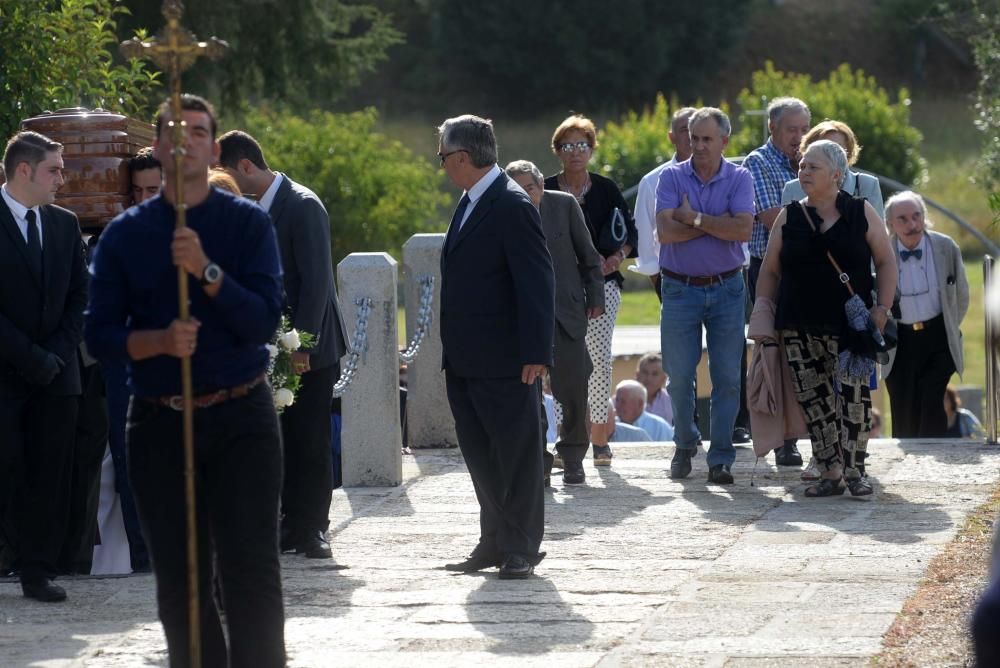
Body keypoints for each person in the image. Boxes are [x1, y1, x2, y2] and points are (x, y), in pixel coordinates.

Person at [86, 94, 286, 666]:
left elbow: (263, 320)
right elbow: (100, 335)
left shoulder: (245, 223)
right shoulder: (125, 235)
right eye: (171, 131)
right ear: (156, 147)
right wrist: (157, 342)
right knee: (179, 579)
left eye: (196, 131)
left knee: (251, 572)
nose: (183, 140)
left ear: (214, 146)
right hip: (159, 419)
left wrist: (207, 272)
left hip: (240, 415)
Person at [219, 130, 348, 560]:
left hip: (308, 348)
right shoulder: (249, 209)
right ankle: (289, 524)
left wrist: (303, 347)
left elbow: (315, 282)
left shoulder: (302, 205)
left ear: (246, 167)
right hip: (269, 348)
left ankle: (313, 527)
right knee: (280, 441)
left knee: (310, 439)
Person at [438, 115, 554, 579]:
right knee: (482, 454)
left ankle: (521, 546)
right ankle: (494, 540)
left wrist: (536, 351)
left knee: (516, 455)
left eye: (443, 156)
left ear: (463, 157)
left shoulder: (511, 204)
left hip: (507, 359)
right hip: (467, 358)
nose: (442, 165)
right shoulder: (470, 201)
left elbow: (536, 280)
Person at [752, 140, 897, 497]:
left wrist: (882, 308)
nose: (803, 172)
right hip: (798, 324)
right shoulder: (789, 216)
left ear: (837, 174)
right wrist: (763, 313)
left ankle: (855, 471)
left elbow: (886, 261)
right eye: (801, 166)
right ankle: (829, 472)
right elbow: (770, 271)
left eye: (812, 167)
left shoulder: (861, 212)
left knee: (855, 399)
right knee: (813, 400)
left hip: (851, 325)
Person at [0, 131, 88, 602]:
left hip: (57, 375)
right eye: (54, 169)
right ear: (24, 170)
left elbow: (79, 296)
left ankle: (37, 572)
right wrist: (28, 356)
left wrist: (53, 353)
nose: (62, 178)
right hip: (6, 373)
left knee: (49, 475)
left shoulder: (65, 224)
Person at [655, 107, 753, 485]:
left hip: (728, 289)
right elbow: (666, 233)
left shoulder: (740, 178)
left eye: (706, 139)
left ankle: (721, 458)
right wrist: (718, 225)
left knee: (727, 377)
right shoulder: (671, 177)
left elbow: (744, 229)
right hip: (679, 288)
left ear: (724, 141)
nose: (697, 145)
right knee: (679, 376)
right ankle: (684, 443)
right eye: (693, 138)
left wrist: (693, 218)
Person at [544, 115, 637, 467]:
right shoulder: (545, 188)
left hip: (604, 286)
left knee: (597, 362)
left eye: (581, 145)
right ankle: (567, 438)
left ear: (592, 149)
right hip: (559, 289)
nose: (575, 152)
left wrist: (616, 258)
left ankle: (599, 440)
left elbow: (630, 234)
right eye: (567, 145)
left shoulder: (606, 188)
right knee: (562, 365)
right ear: (557, 151)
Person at [505, 159, 603, 486]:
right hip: (522, 321)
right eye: (516, 188)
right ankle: (540, 463)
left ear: (541, 187)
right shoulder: (502, 215)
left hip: (567, 315)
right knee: (529, 396)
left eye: (529, 187)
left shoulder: (564, 205)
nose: (524, 194)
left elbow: (589, 258)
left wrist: (595, 299)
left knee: (573, 389)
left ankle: (573, 456)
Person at [743, 96, 811, 467]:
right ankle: (785, 439)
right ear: (772, 128)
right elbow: (774, 220)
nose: (799, 137)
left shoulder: (817, 160)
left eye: (804, 129)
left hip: (811, 273)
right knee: (777, 353)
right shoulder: (758, 162)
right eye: (792, 130)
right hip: (770, 271)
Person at [882, 190, 969, 438]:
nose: (912, 224)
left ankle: (935, 460)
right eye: (903, 219)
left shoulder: (945, 246)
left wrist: (950, 325)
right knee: (903, 404)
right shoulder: (881, 251)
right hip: (899, 341)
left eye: (917, 216)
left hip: (938, 337)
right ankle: (908, 465)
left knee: (932, 396)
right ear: (890, 224)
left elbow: (961, 294)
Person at [631, 107, 697, 299]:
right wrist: (658, 282)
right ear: (672, 136)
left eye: (696, 128)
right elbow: (643, 236)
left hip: (722, 281)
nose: (692, 135)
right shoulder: (652, 181)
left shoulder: (729, 176)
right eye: (685, 129)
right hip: (673, 282)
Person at [781, 119, 884, 217]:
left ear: (848, 153)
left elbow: (878, 232)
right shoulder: (792, 189)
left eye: (836, 148)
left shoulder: (867, 185)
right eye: (823, 148)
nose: (831, 153)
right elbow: (783, 232)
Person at [636, 352, 673, 425]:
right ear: (637, 374)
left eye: (655, 374)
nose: (649, 378)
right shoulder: (622, 400)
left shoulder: (672, 402)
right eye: (645, 372)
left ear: (664, 378)